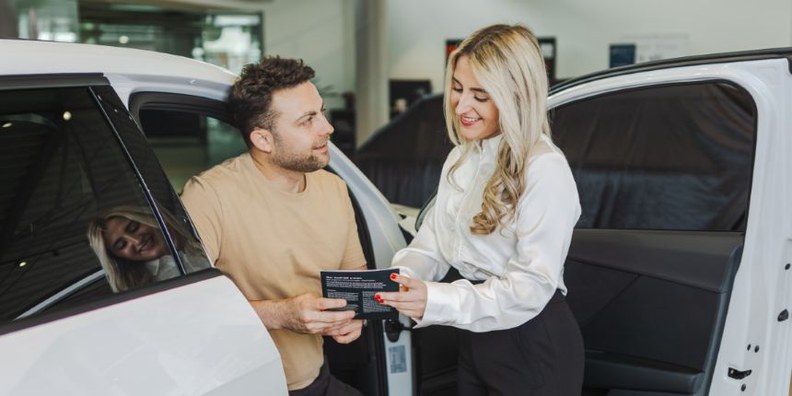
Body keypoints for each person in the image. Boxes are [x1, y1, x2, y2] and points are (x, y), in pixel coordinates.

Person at [377, 24, 584, 395]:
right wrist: (401, 280)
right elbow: (434, 245)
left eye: (480, 95)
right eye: (457, 88)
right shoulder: (462, 156)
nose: (461, 105)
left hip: (531, 342)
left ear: (516, 96)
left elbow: (531, 287)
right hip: (474, 337)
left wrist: (435, 298)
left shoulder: (545, 168)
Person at [180, 56, 366, 395]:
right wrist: (282, 315)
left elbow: (354, 274)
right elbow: (181, 311)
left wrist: (355, 315)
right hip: (240, 385)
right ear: (263, 140)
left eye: (321, 112)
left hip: (313, 379)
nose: (327, 128)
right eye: (308, 120)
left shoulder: (334, 188)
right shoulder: (209, 196)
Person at [86, 205, 209, 292]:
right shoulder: (146, 292)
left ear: (147, 218)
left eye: (133, 227)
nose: (136, 240)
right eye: (121, 245)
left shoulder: (205, 240)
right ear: (118, 258)